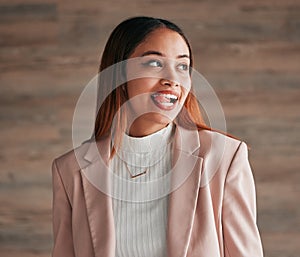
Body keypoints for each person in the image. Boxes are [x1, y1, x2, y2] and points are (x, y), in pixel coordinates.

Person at [51, 16, 264, 257]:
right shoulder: (70, 170)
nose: (172, 80)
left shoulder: (225, 157)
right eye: (154, 63)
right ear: (119, 76)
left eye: (183, 66)